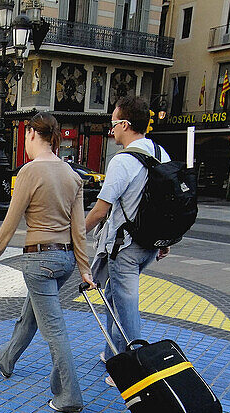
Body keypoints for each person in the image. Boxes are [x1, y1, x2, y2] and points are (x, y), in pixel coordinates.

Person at [0, 112, 95, 413]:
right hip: (65, 261)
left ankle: (69, 395)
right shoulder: (73, 175)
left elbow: (10, 221)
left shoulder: (30, 172)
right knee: (32, 315)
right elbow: (79, 230)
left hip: (38, 259)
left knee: (54, 330)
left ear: (32, 133)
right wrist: (84, 268)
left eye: (25, 134)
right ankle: (6, 358)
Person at [83, 94, 172, 387]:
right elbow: (166, 202)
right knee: (112, 296)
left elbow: (101, 209)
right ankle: (112, 353)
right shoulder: (161, 153)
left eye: (113, 123)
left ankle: (134, 368)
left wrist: (75, 233)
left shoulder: (123, 161)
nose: (111, 130)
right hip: (150, 244)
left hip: (126, 248)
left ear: (124, 124)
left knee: (125, 306)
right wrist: (164, 239)